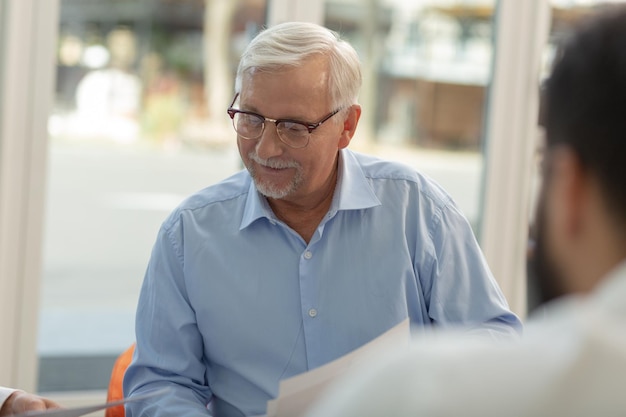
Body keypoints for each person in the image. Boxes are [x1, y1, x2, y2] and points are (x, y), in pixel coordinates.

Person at [124, 21, 520, 417]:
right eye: (251, 118)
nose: (265, 146)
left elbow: (492, 344)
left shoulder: (418, 212)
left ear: (347, 126)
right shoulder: (188, 235)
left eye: (294, 127)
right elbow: (161, 385)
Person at [306, 7, 626, 417]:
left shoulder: (419, 393)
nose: (269, 147)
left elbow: (493, 330)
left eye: (296, 126)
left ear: (571, 189)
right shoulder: (197, 226)